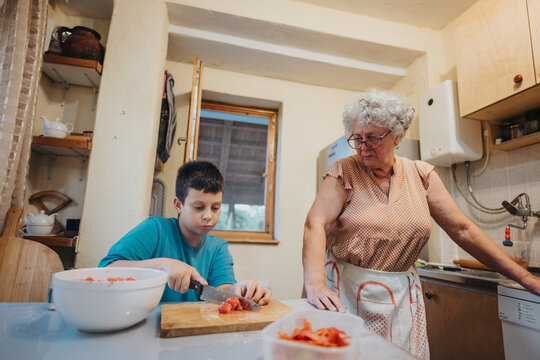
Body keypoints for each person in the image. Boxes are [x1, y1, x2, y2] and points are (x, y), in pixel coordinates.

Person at [302, 89, 540, 359]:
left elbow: (463, 230)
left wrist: (526, 278)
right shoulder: (343, 171)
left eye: (373, 138)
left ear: (397, 136)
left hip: (399, 298)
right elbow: (315, 224)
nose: (363, 146)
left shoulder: (421, 174)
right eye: (357, 138)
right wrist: (316, 285)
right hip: (344, 293)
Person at [99, 160, 272, 305]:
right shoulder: (156, 229)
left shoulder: (217, 247)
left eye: (215, 207)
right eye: (198, 207)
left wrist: (240, 289)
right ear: (178, 205)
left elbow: (222, 291)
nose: (208, 216)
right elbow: (106, 269)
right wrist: (162, 264)